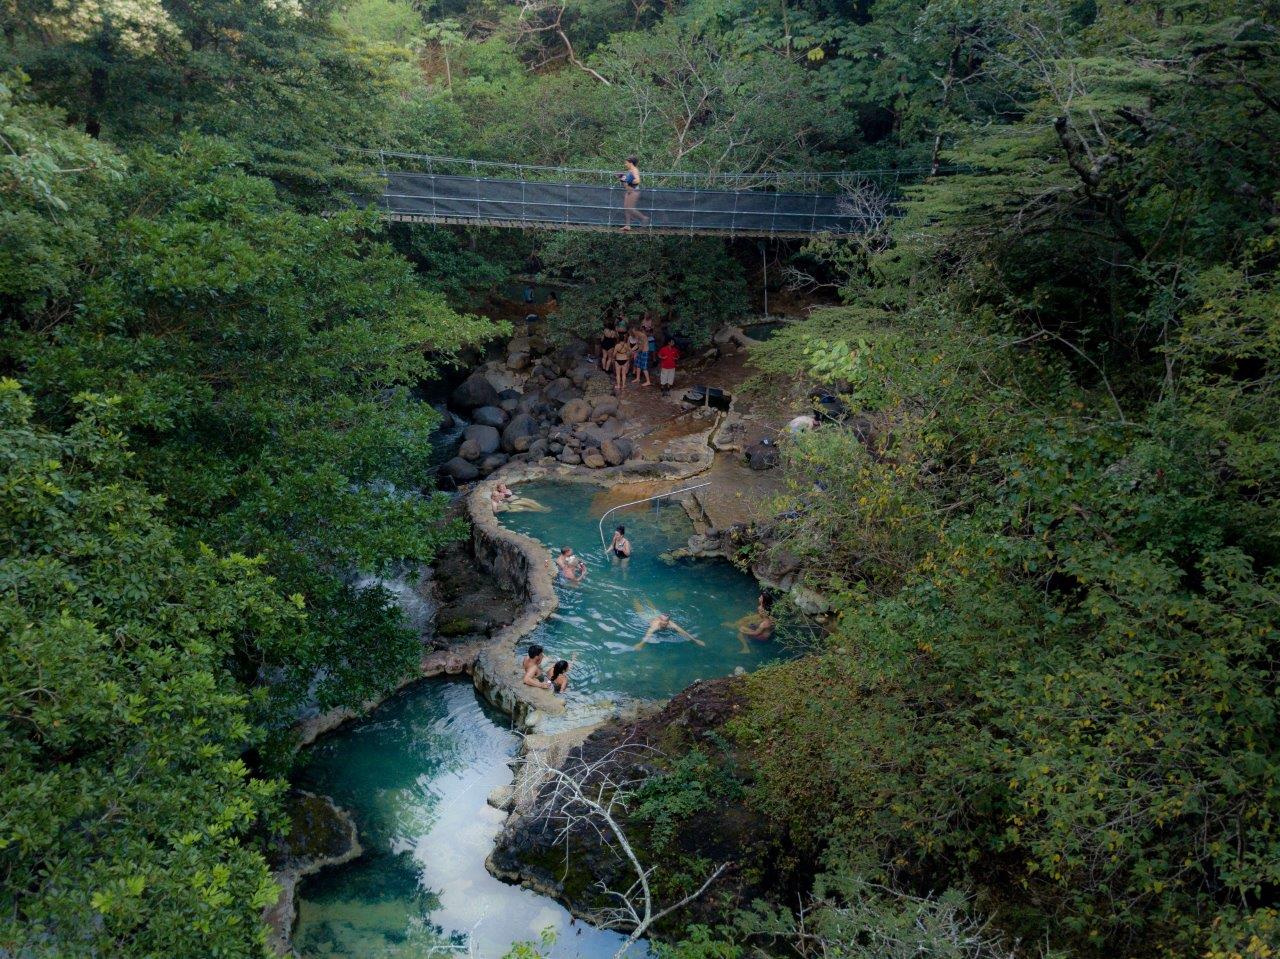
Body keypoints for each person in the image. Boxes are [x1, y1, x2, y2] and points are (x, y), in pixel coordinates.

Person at [635, 613, 704, 649]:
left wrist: (695, 640)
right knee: (638, 607)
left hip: (656, 615)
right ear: (659, 620)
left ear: (668, 621)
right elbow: (648, 635)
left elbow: (683, 632)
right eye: (663, 621)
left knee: (652, 606)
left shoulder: (672, 624)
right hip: (647, 618)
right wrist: (641, 644)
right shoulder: (654, 626)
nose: (665, 623)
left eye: (666, 621)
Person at [618, 156, 650, 231]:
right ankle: (627, 225)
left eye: (626, 163)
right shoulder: (630, 171)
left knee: (630, 208)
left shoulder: (634, 170)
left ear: (631, 163)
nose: (625, 164)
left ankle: (644, 218)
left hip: (634, 191)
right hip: (628, 190)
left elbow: (637, 180)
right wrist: (621, 178)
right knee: (626, 207)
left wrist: (628, 181)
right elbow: (626, 182)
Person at [612, 327, 634, 393]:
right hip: (625, 360)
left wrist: (613, 358)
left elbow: (614, 354)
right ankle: (624, 385)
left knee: (618, 374)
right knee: (624, 374)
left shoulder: (617, 345)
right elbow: (630, 351)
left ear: (619, 339)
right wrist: (629, 356)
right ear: (624, 339)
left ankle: (618, 385)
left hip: (618, 360)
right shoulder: (627, 345)